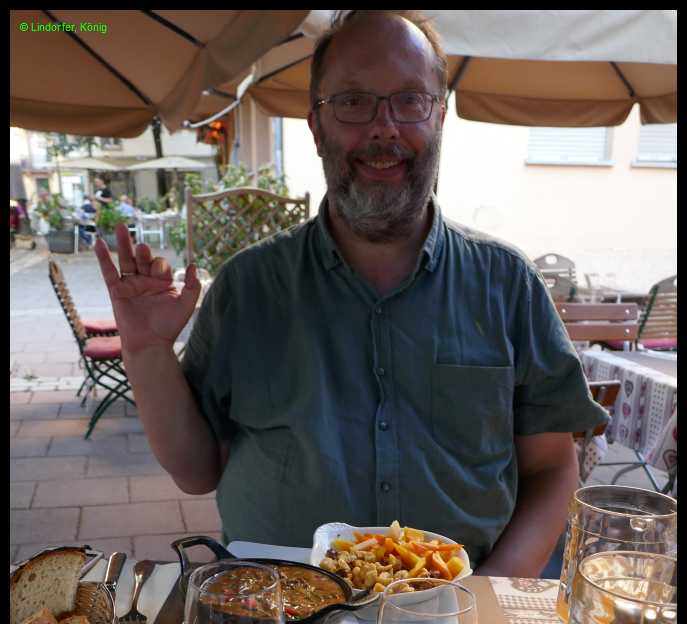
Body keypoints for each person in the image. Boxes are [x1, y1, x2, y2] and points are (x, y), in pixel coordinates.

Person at [94, 10, 608, 577]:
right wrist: (146, 350)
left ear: (440, 118)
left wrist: (482, 601)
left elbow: (553, 469)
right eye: (353, 102)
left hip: (457, 612)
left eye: (410, 100)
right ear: (316, 126)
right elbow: (196, 471)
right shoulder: (248, 287)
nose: (384, 128)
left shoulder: (507, 284)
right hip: (279, 610)